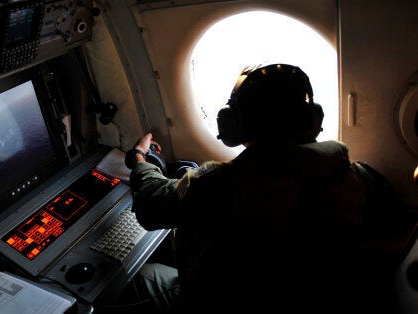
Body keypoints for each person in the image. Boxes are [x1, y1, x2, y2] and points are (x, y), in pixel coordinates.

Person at [123, 63, 416, 313]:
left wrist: (141, 158)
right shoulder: (354, 174)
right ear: (310, 120)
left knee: (135, 277)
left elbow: (151, 207)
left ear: (236, 124)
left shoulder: (221, 183)